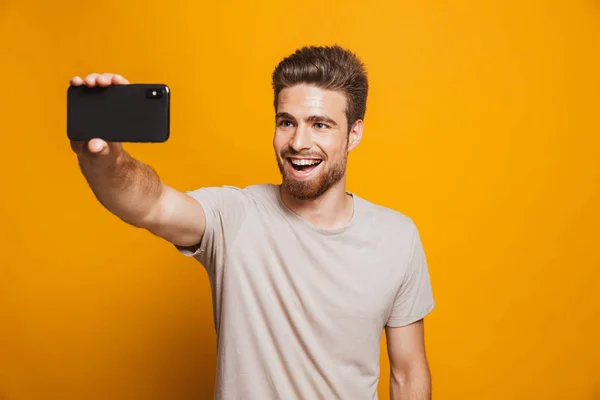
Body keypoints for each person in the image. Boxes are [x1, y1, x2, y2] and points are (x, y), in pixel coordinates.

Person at [69, 45, 435, 400]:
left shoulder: (397, 237)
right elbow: (150, 204)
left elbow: (407, 373)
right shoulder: (236, 215)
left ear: (354, 134)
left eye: (320, 125)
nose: (298, 142)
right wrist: (104, 160)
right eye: (286, 122)